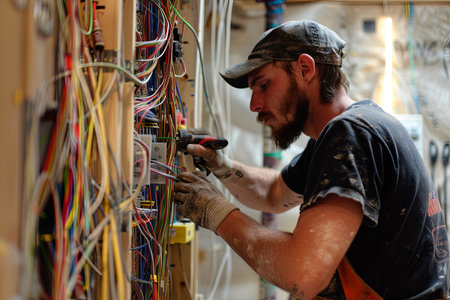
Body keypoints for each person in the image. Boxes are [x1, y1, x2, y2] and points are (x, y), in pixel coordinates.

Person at [173, 19, 450, 299]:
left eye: (264, 85)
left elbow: (302, 275)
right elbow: (274, 192)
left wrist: (215, 211)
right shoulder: (351, 131)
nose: (254, 105)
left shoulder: (351, 134)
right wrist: (222, 166)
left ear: (305, 69)